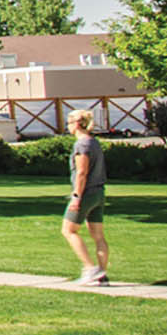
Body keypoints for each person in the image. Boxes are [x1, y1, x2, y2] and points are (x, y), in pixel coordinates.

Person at [60, 109, 109, 284]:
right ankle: (102, 273)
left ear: (78, 124)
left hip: (86, 193)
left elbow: (82, 172)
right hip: (98, 192)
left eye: (69, 123)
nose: (68, 127)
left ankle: (89, 268)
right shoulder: (94, 142)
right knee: (98, 235)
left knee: (68, 230)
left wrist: (76, 197)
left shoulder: (82, 145)